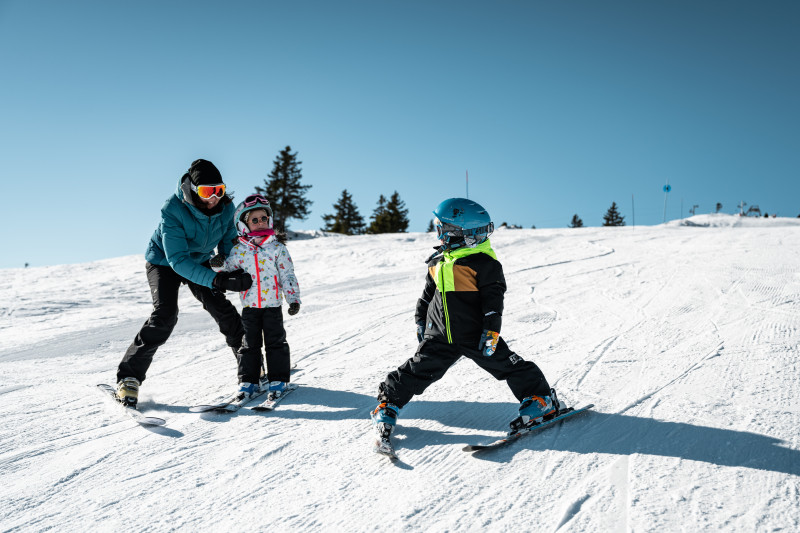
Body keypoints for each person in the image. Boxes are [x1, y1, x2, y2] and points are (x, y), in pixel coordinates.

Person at [371, 198, 558, 442]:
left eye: (443, 230)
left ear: (462, 233)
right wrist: (421, 321)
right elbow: (427, 296)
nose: (438, 235)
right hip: (439, 336)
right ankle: (388, 404)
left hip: (475, 335)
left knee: (508, 365)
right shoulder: (438, 261)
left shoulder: (483, 264)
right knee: (414, 371)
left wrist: (491, 331)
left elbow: (493, 303)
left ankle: (541, 400)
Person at [115, 159, 252, 406]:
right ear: (193, 190)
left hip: (199, 260)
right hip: (165, 262)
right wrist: (217, 280)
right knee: (165, 314)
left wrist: (238, 270)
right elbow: (177, 259)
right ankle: (128, 379)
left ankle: (251, 366)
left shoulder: (226, 208)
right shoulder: (173, 208)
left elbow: (229, 244)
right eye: (206, 191)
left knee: (222, 309)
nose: (214, 198)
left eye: (218, 190)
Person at [211, 193, 301, 401]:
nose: (260, 222)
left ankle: (278, 379)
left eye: (264, 218)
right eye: (254, 220)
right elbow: (229, 267)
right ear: (244, 225)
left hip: (272, 306)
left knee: (275, 342)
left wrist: (293, 298)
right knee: (248, 345)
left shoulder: (277, 248)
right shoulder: (239, 251)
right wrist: (218, 264)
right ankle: (248, 381)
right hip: (250, 307)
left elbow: (287, 275)